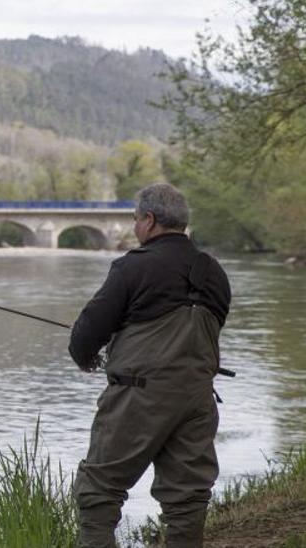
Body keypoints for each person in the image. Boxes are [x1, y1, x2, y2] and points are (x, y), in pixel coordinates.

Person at [67, 183, 232, 548]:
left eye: (136, 220)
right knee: (188, 498)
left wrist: (87, 357)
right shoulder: (214, 273)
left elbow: (86, 334)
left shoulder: (132, 267)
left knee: (98, 491)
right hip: (197, 400)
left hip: (137, 397)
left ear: (150, 221)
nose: (135, 227)